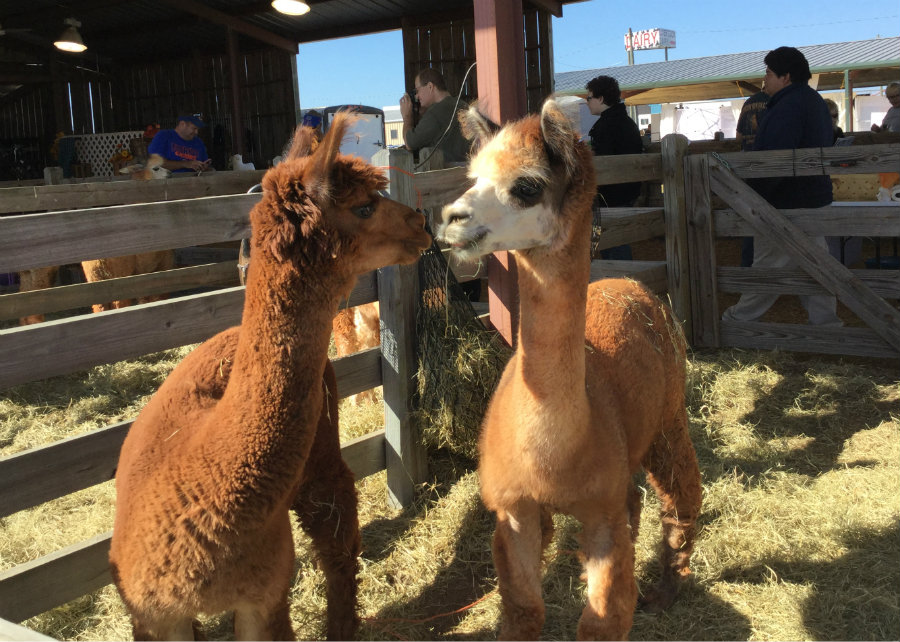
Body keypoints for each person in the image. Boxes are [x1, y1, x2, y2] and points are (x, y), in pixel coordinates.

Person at [722, 46, 842, 327]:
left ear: (785, 76)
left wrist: (754, 194)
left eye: (768, 73)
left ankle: (736, 322)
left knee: (767, 268)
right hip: (813, 197)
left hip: (786, 202)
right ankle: (827, 325)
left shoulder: (788, 106)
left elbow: (773, 158)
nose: (765, 79)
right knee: (815, 266)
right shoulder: (812, 101)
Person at [585, 75, 643, 260]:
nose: (587, 103)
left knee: (613, 243)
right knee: (617, 239)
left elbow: (603, 161)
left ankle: (620, 283)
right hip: (627, 192)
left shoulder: (607, 125)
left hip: (610, 195)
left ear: (601, 99)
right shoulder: (626, 122)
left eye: (589, 98)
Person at [399, 68, 469, 164]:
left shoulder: (436, 113)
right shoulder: (462, 105)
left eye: (417, 90)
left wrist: (407, 117)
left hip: (445, 175)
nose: (416, 96)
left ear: (430, 86)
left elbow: (410, 143)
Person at [735, 89, 770, 266]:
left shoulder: (748, 103)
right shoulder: (774, 101)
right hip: (768, 163)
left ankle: (747, 264)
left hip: (747, 163)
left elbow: (739, 135)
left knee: (750, 214)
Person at [147, 114, 212, 173]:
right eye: (194, 128)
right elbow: (155, 164)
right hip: (169, 182)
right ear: (182, 124)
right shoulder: (164, 136)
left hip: (195, 182)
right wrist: (185, 164)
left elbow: (205, 164)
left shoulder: (198, 142)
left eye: (198, 129)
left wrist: (204, 167)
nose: (196, 132)